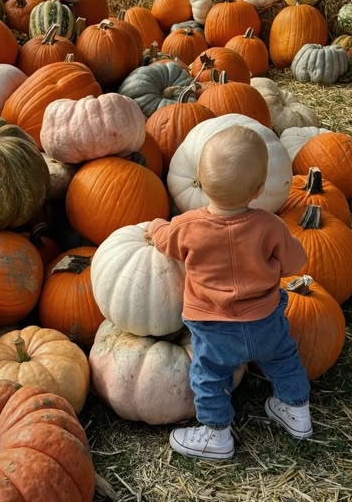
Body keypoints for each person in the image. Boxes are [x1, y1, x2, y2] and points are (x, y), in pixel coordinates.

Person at [144, 125, 312, 460]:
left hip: (215, 328)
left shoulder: (188, 226)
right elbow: (297, 262)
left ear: (200, 182)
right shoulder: (270, 225)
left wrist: (153, 227)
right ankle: (298, 413)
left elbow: (164, 239)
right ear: (259, 189)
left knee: (208, 378)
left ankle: (216, 435)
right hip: (265, 321)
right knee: (284, 360)